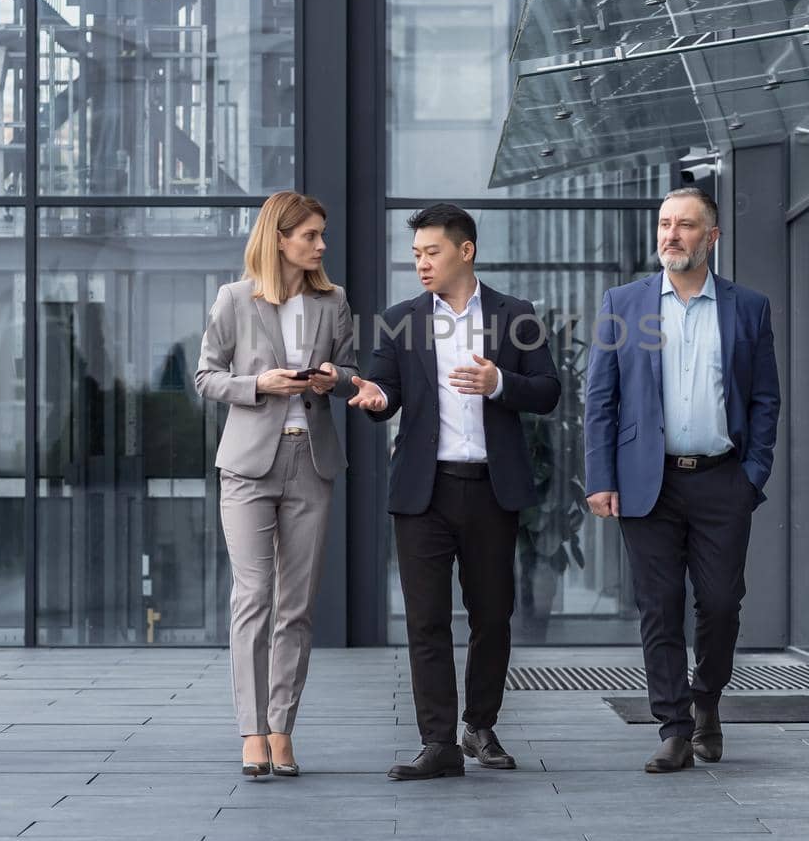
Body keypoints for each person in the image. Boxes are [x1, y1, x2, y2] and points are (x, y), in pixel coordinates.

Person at [349, 203, 561, 780]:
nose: (420, 263)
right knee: (426, 620)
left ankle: (480, 727)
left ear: (465, 251)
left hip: (491, 488)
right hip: (425, 491)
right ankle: (438, 742)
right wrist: (376, 401)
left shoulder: (517, 316)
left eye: (431, 252)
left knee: (493, 616)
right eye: (416, 254)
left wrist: (500, 382)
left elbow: (547, 391)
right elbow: (385, 391)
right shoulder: (400, 320)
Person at [583, 187, 781, 773]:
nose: (671, 235)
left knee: (720, 604)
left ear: (711, 238)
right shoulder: (624, 304)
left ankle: (707, 703)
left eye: (686, 226)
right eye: (665, 223)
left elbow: (765, 399)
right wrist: (600, 477)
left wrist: (753, 475)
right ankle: (673, 727)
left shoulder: (749, 308)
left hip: (723, 481)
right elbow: (601, 400)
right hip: (649, 483)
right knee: (659, 605)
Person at [194, 191, 358, 778]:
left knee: (296, 606)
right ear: (280, 238)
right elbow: (206, 375)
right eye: (310, 235)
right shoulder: (235, 299)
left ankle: (282, 727)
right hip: (247, 467)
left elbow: (351, 372)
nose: (319, 245)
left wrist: (335, 379)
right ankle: (251, 730)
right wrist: (259, 383)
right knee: (253, 598)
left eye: (321, 234)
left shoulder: (333, 300)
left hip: (311, 464)